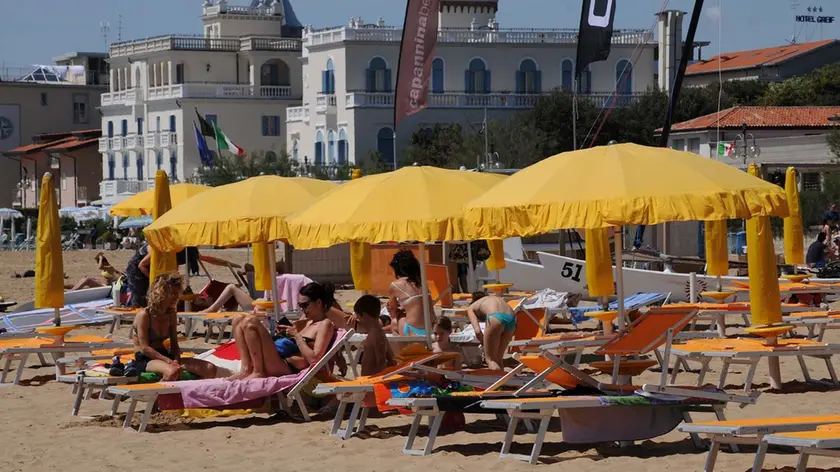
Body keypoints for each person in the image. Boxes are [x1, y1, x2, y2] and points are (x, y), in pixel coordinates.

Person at [228, 282, 337, 380]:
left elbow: (315, 359)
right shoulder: (306, 319)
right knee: (238, 319)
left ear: (318, 302)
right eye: (300, 305)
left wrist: (296, 336)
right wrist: (284, 331)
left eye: (305, 305)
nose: (302, 309)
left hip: (285, 365)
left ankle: (258, 371)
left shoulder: (325, 324)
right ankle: (246, 369)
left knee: (250, 321)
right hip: (277, 355)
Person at [125, 273, 217, 381]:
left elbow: (174, 344)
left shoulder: (171, 314)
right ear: (160, 293)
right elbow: (145, 348)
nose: (175, 297)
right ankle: (158, 397)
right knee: (172, 372)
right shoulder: (144, 315)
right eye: (172, 293)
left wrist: (176, 360)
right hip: (146, 358)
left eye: (177, 294)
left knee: (210, 369)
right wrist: (168, 361)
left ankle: (191, 393)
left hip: (165, 355)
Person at [387, 249, 436, 336]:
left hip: (412, 330)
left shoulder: (395, 285)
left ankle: (401, 347)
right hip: (431, 329)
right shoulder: (422, 283)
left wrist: (400, 311)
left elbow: (393, 311)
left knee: (395, 322)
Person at [466, 291, 516, 371]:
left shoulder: (471, 307)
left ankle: (495, 381)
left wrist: (485, 344)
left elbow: (478, 332)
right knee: (499, 358)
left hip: (495, 317)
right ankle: (502, 382)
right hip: (511, 318)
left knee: (490, 360)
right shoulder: (495, 299)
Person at [355, 295, 395, 376]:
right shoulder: (378, 332)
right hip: (369, 380)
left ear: (365, 315)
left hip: (372, 381)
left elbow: (381, 361)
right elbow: (391, 358)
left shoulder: (375, 335)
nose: (359, 320)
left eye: (358, 317)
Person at [124, 243, 152, 307]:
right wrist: (151, 277)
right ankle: (135, 311)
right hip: (136, 271)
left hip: (142, 269)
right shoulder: (153, 249)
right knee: (138, 294)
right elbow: (141, 265)